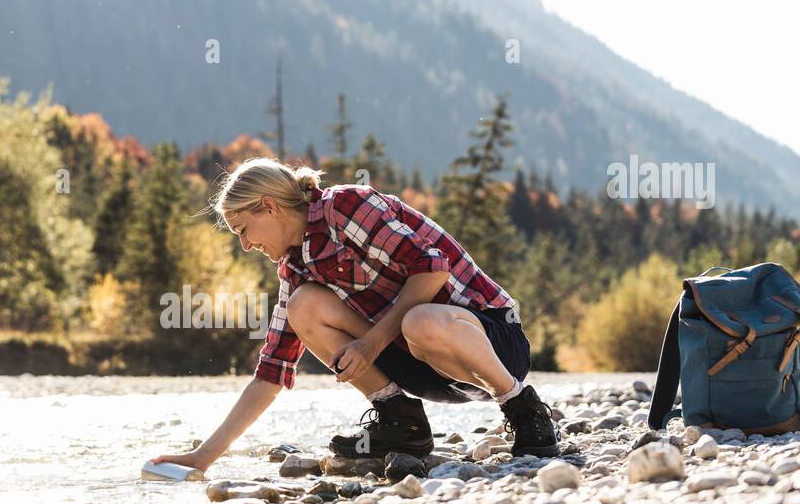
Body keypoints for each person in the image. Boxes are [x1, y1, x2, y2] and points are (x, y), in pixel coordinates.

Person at [150, 158, 559, 474]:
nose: (244, 244)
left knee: (420, 320)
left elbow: (432, 269)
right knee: (304, 306)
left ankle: (524, 410)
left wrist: (371, 343)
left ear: (270, 207)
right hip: (427, 364)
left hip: (492, 343)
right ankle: (403, 423)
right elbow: (272, 371)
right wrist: (204, 457)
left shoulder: (346, 207)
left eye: (243, 229)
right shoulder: (294, 268)